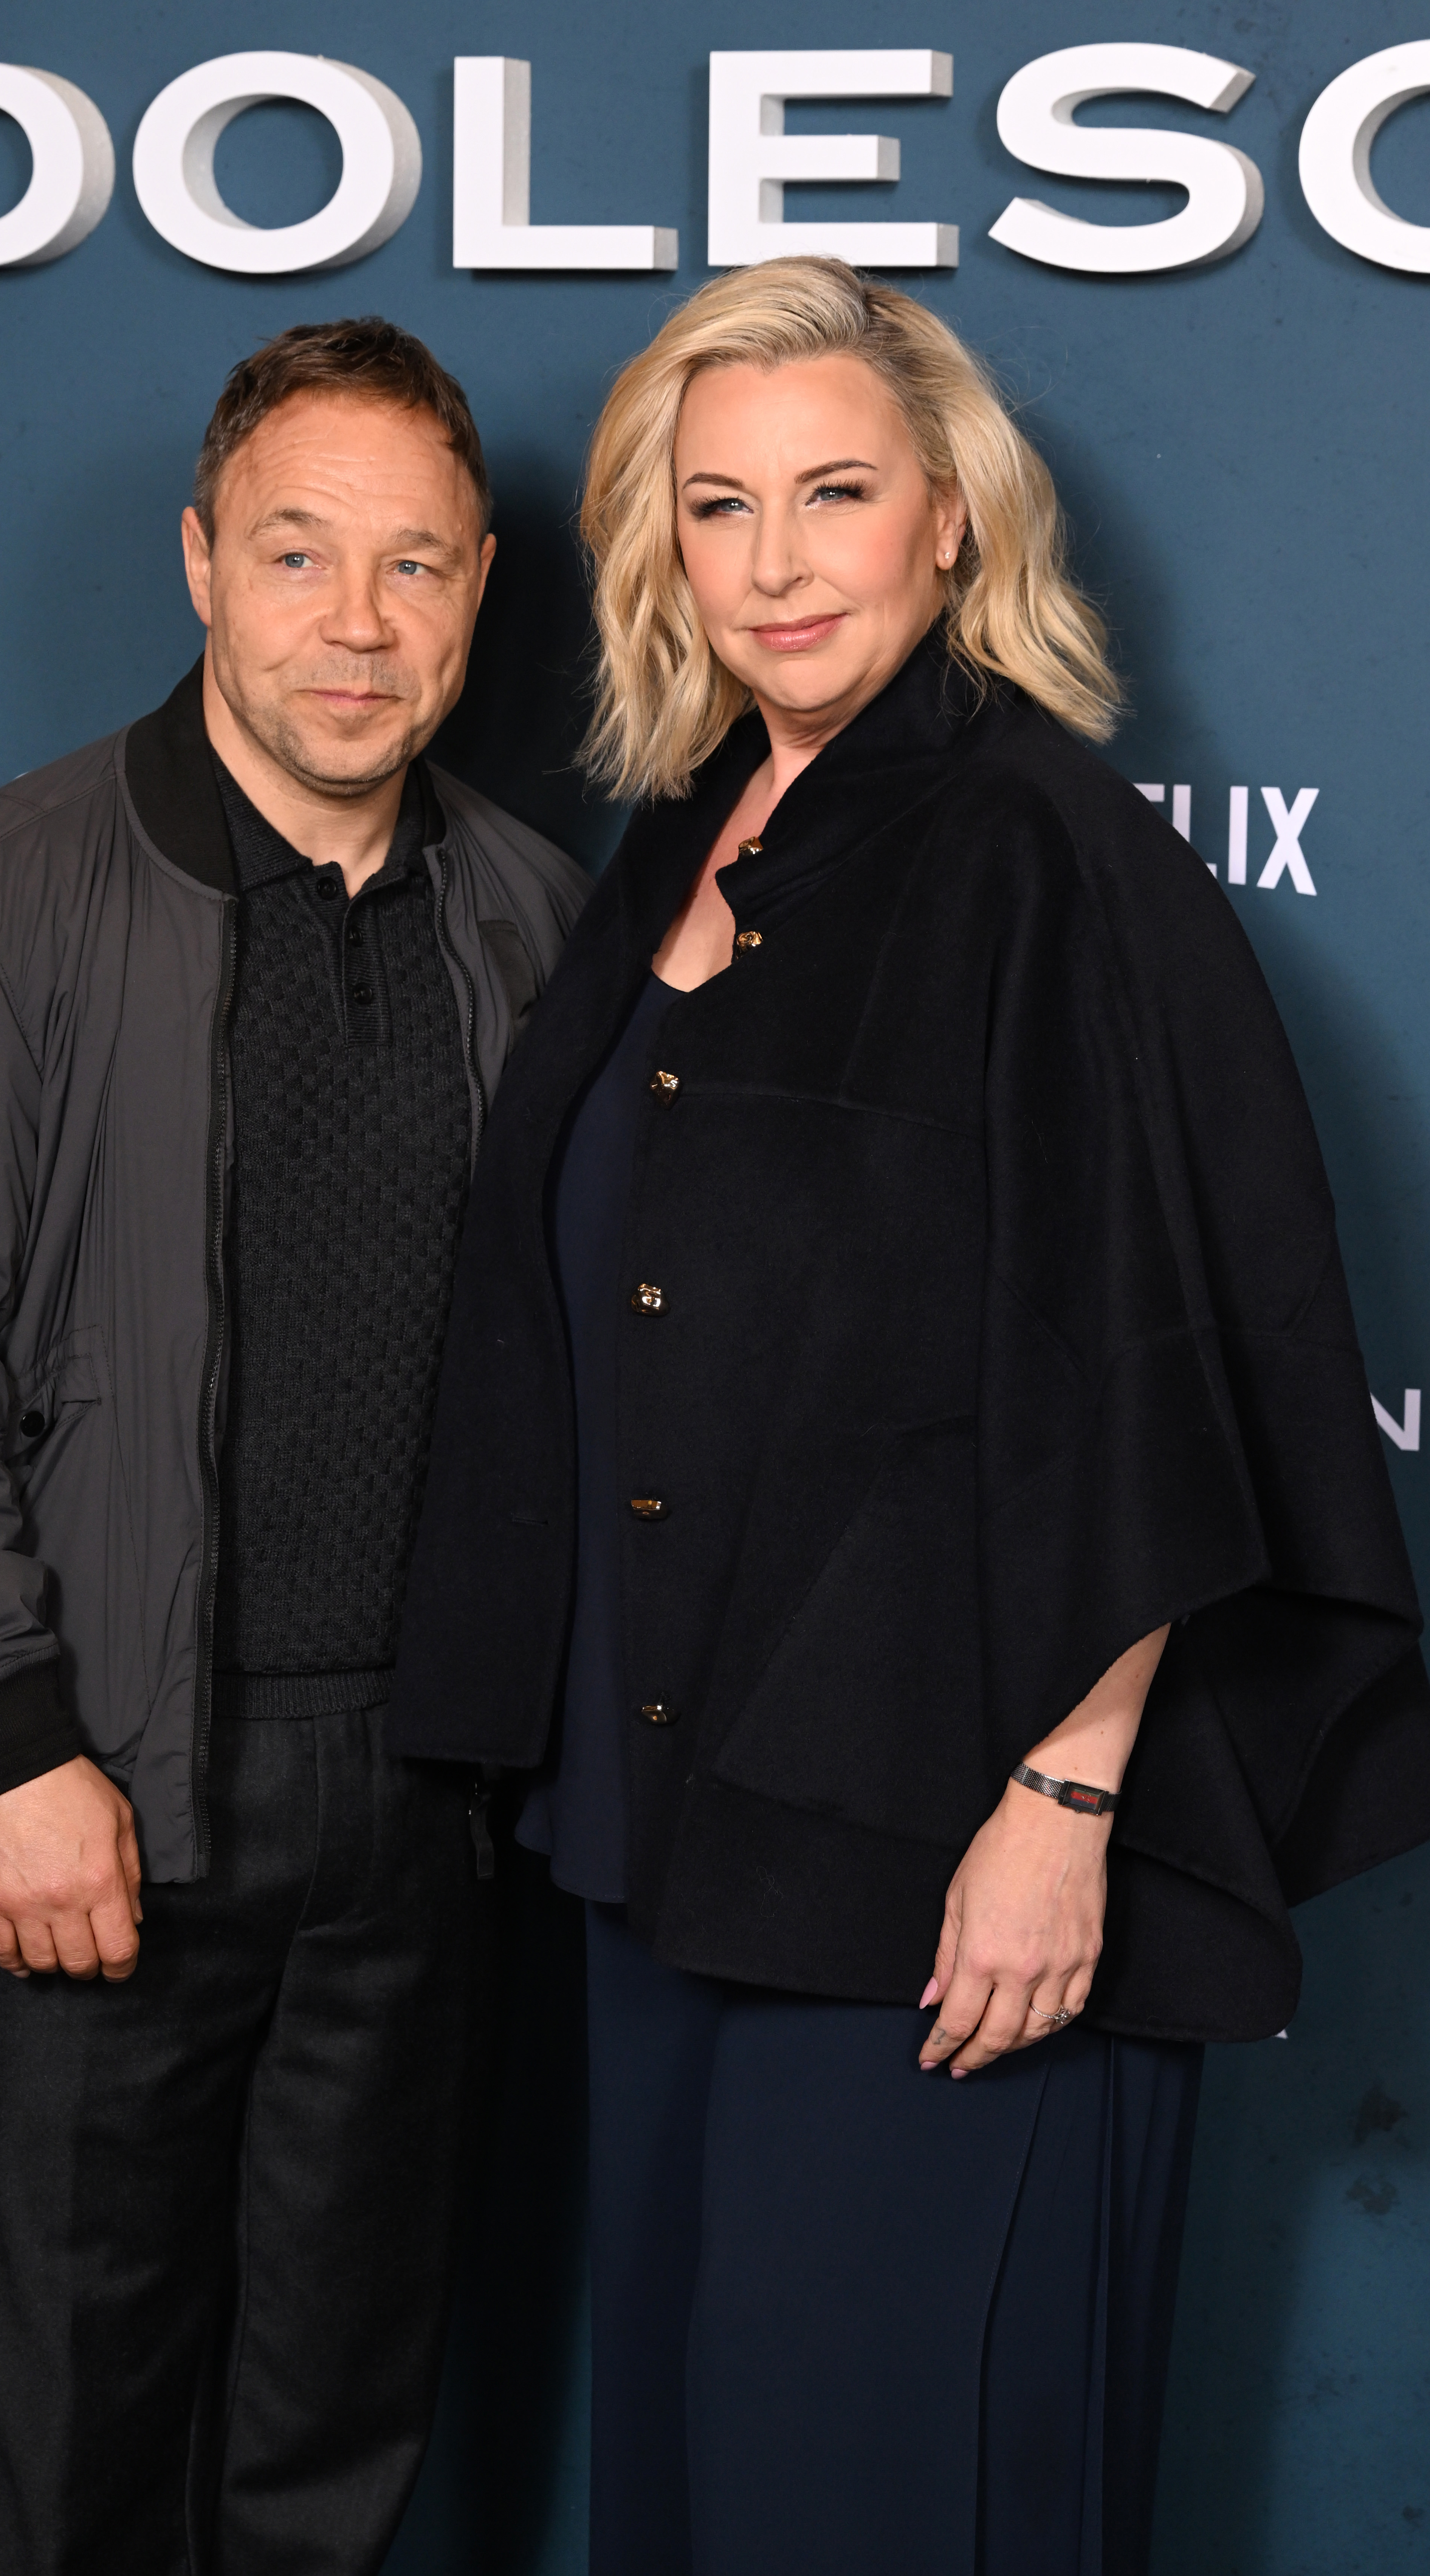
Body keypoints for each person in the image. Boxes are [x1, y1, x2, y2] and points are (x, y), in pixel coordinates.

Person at [385, 258, 1430, 2574]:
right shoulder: (686, 834)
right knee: (699, 2488)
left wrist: (1062, 1796)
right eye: (717, 501)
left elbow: (1151, 1352)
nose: (772, 561)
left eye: (834, 493)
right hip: (672, 1833)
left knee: (887, 2495)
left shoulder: (1036, 851)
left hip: (945, 1861)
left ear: (950, 519)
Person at [0, 316, 586, 2576]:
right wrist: (8, 1745)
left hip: (425, 1810)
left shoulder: (534, 918)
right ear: (202, 563)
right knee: (63, 2461)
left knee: (331, 2452)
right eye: (299, 554)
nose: (356, 623)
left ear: (480, 587)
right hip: (111, 1781)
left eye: (413, 565)